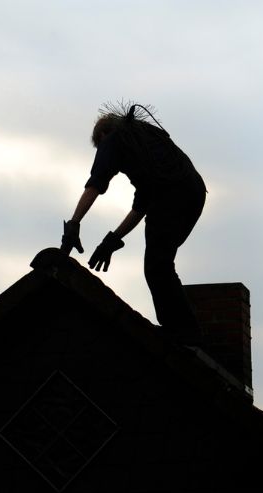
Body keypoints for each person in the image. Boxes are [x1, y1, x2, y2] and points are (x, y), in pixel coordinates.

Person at [60, 104, 207, 346]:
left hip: (172, 197)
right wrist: (113, 239)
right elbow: (142, 206)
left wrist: (74, 224)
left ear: (102, 137)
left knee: (157, 266)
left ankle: (182, 332)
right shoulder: (146, 147)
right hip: (193, 194)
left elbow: (96, 183)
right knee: (161, 263)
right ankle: (185, 330)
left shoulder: (112, 139)